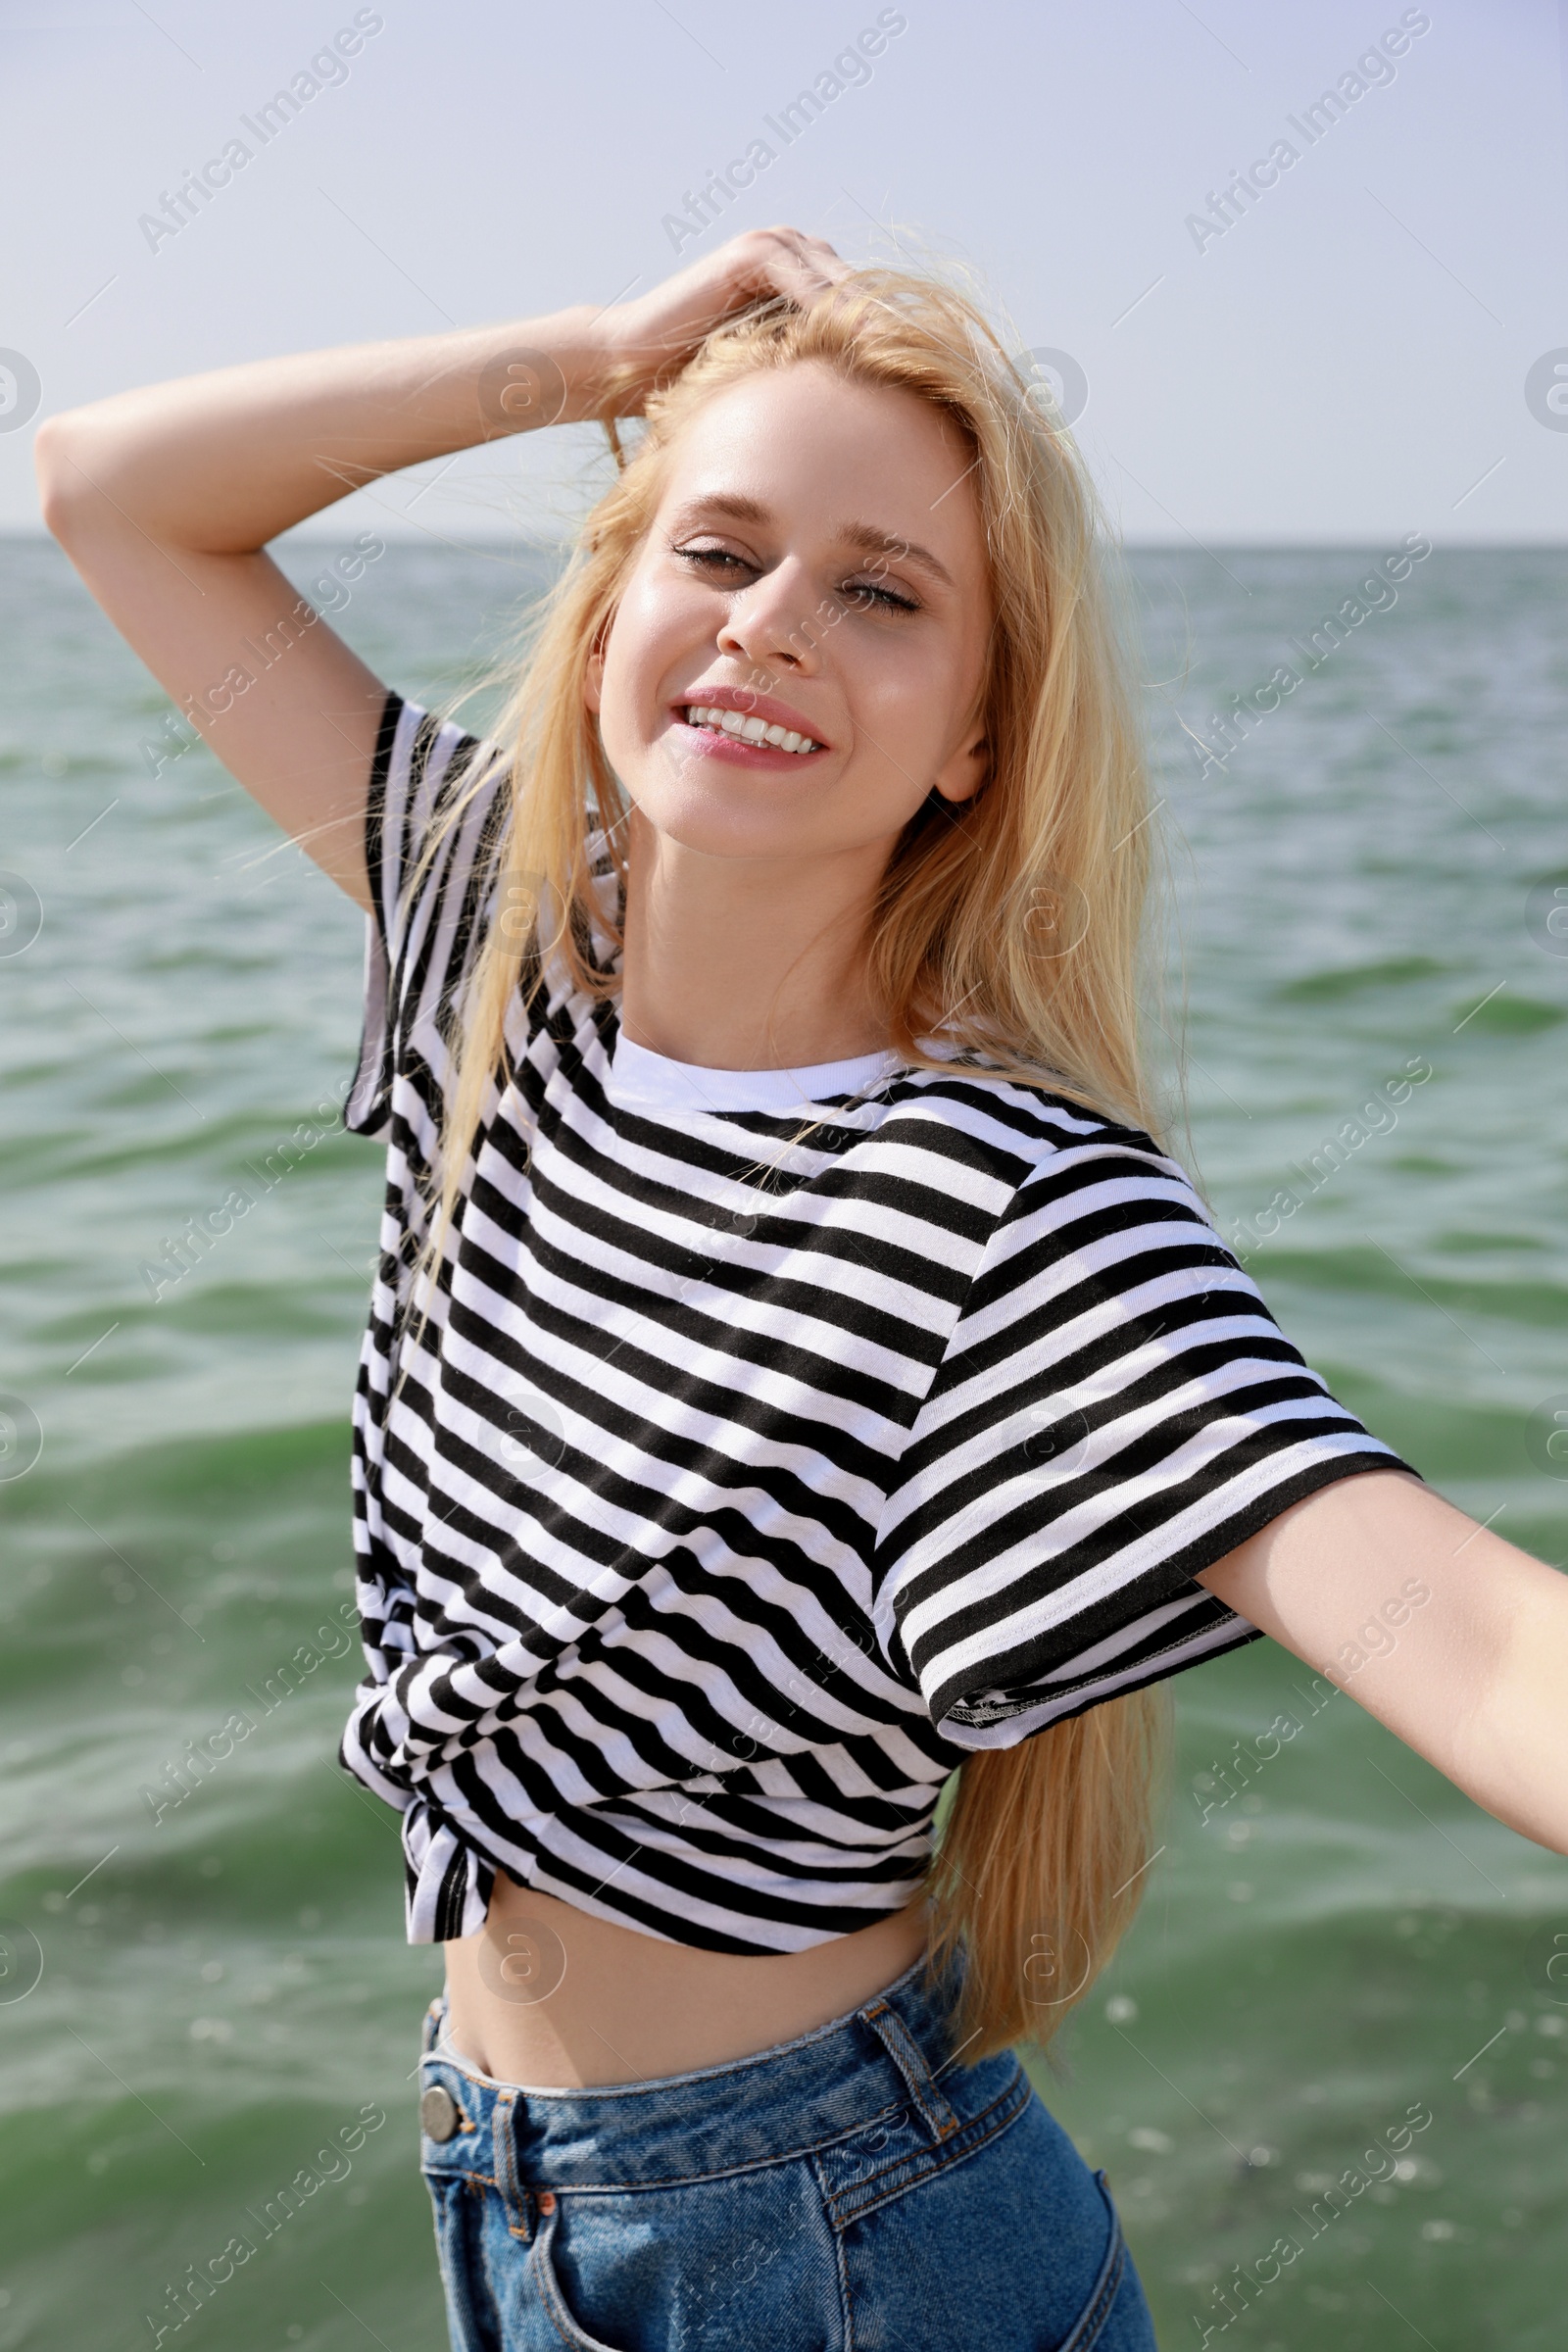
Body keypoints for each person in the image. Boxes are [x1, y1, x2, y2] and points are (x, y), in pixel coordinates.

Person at [36, 225, 1567, 2352]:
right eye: (715, 550)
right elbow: (109, 486)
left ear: (969, 736)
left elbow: (1465, 1636)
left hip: (838, 2252)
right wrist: (586, 356)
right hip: (507, 2184)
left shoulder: (1003, 1204)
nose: (767, 625)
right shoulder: (493, 944)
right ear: (603, 620)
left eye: (881, 591)